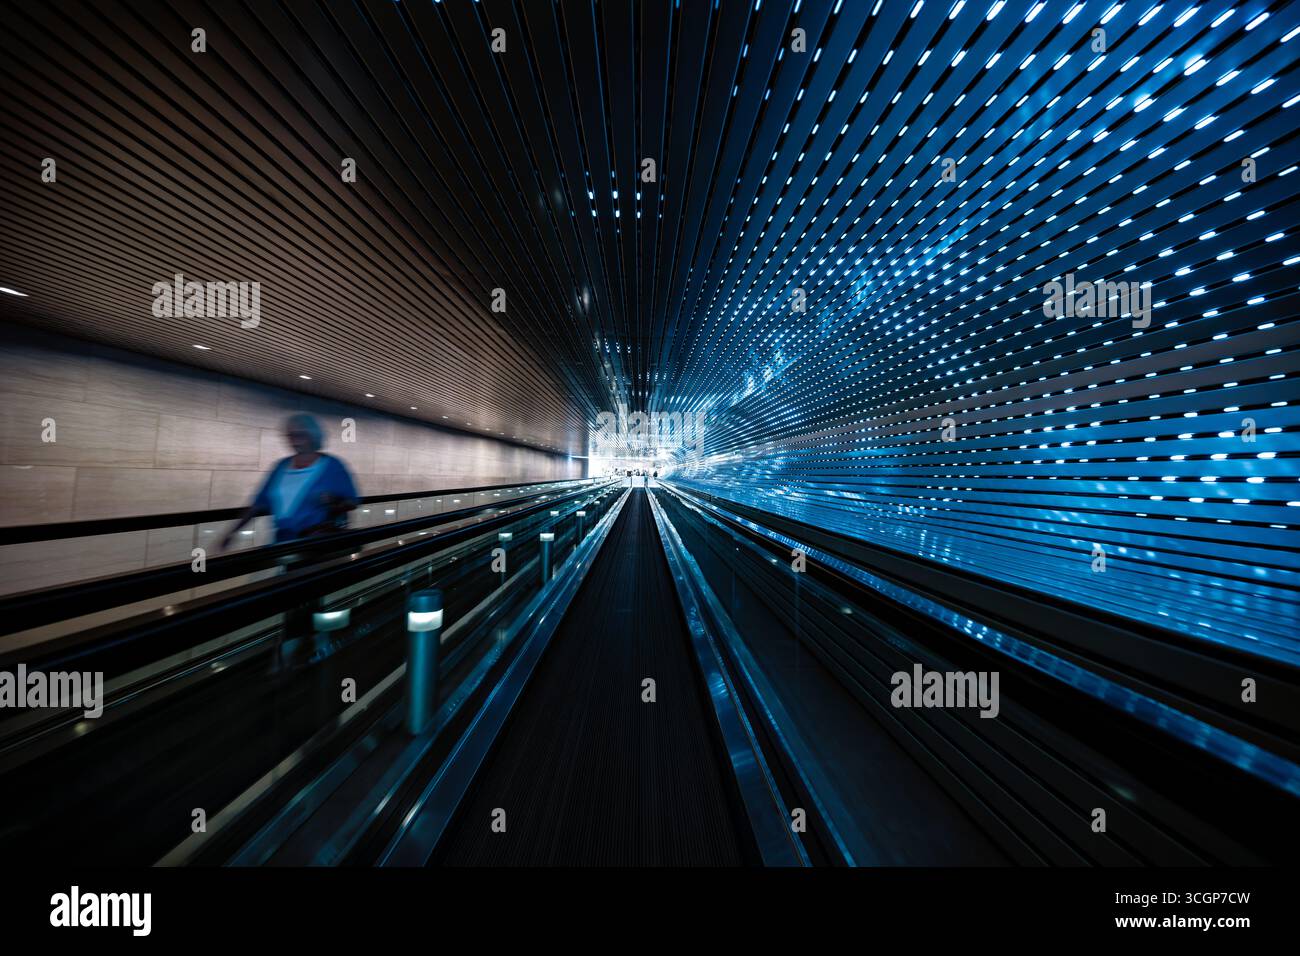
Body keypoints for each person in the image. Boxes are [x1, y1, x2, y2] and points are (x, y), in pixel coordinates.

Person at [220, 413, 359, 550]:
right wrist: (232, 532)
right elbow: (258, 504)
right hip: (282, 543)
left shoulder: (333, 466)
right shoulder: (281, 466)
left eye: (300, 435)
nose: (294, 440)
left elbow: (352, 502)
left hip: (316, 544)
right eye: (290, 435)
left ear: (313, 435)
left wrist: (334, 501)